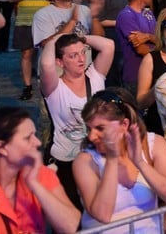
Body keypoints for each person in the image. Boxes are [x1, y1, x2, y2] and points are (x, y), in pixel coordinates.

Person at [0, 108, 81, 233]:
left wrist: (35, 185)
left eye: (35, 135)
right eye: (28, 138)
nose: (37, 143)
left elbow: (73, 227)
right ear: (2, 148)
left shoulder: (38, 174)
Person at [73, 89, 166, 233]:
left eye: (100, 128)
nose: (92, 136)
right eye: (89, 128)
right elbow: (102, 215)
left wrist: (140, 163)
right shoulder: (85, 161)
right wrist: (111, 160)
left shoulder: (154, 144)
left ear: (124, 125)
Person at [39, 31, 114, 208]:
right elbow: (46, 64)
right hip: (65, 161)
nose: (81, 59)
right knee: (70, 214)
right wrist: (56, 38)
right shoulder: (54, 87)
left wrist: (80, 38)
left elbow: (108, 45)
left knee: (96, 209)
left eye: (83, 53)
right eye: (73, 56)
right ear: (60, 62)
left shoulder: (94, 77)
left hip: (95, 156)